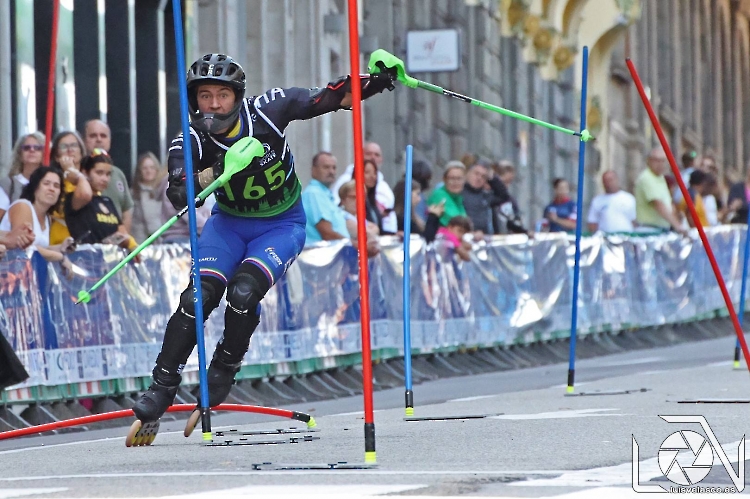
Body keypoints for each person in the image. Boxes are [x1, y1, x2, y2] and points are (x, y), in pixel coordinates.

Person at [129, 53, 396, 431]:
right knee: (197, 298)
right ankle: (162, 386)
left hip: (280, 224)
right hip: (230, 225)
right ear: (194, 100)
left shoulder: (268, 111)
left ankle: (223, 366)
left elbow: (333, 97)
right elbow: (179, 193)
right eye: (205, 96)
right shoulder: (189, 138)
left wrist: (377, 79)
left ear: (237, 96)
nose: (214, 105)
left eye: (222, 95)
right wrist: (221, 170)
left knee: (242, 293)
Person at [0, 167, 75, 269]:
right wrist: (60, 257)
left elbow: (40, 247)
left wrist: (60, 248)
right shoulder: (23, 206)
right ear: (35, 187)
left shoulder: (47, 218)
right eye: (46, 183)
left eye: (56, 186)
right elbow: (25, 248)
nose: (51, 189)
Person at [64, 150, 137, 250]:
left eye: (108, 174)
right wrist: (79, 177)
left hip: (108, 261)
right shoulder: (75, 197)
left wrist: (126, 242)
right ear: (85, 172)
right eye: (99, 173)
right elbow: (86, 194)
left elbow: (123, 233)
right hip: (83, 260)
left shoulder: (107, 201)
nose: (105, 179)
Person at [329, 141, 397, 232]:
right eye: (369, 154)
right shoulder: (345, 181)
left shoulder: (383, 188)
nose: (373, 157)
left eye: (377, 155)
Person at [83, 120, 135, 232]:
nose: (99, 139)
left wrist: (122, 242)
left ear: (109, 141)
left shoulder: (119, 174)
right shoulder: (79, 172)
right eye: (93, 136)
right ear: (84, 140)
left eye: (103, 136)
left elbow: (126, 212)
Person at [635, 147, 686, 234]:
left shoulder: (660, 178)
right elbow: (658, 204)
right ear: (649, 161)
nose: (660, 164)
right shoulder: (647, 178)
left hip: (661, 228)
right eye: (656, 160)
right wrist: (678, 226)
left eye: (663, 161)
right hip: (649, 229)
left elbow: (667, 203)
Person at [48, 131, 87, 245]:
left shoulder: (89, 180)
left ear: (81, 151)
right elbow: (64, 209)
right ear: (56, 156)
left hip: (87, 245)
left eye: (74, 145)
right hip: (60, 244)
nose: (70, 150)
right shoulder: (52, 182)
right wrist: (70, 172)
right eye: (64, 146)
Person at [301, 151, 349, 244]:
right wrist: (353, 245)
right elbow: (327, 233)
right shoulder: (314, 193)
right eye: (326, 167)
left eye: (334, 168)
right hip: (321, 256)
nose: (331, 171)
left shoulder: (324, 194)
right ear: (313, 170)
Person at [462, 160, 510, 235]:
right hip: (465, 236)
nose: (479, 178)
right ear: (468, 173)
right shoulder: (459, 192)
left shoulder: (486, 196)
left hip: (484, 238)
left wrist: (492, 178)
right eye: (476, 173)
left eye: (483, 176)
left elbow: (504, 197)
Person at [131, 152, 168, 243]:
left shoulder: (164, 191)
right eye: (145, 168)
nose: (149, 171)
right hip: (139, 244)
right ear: (139, 171)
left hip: (161, 244)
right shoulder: (132, 194)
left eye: (152, 167)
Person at [1, 132, 45, 205]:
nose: (32, 150)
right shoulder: (7, 184)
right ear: (20, 154)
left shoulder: (51, 184)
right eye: (26, 148)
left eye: (37, 148)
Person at [427, 161, 467, 226]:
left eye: (459, 178)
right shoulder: (438, 195)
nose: (455, 182)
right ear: (444, 179)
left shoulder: (458, 197)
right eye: (452, 178)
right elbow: (457, 223)